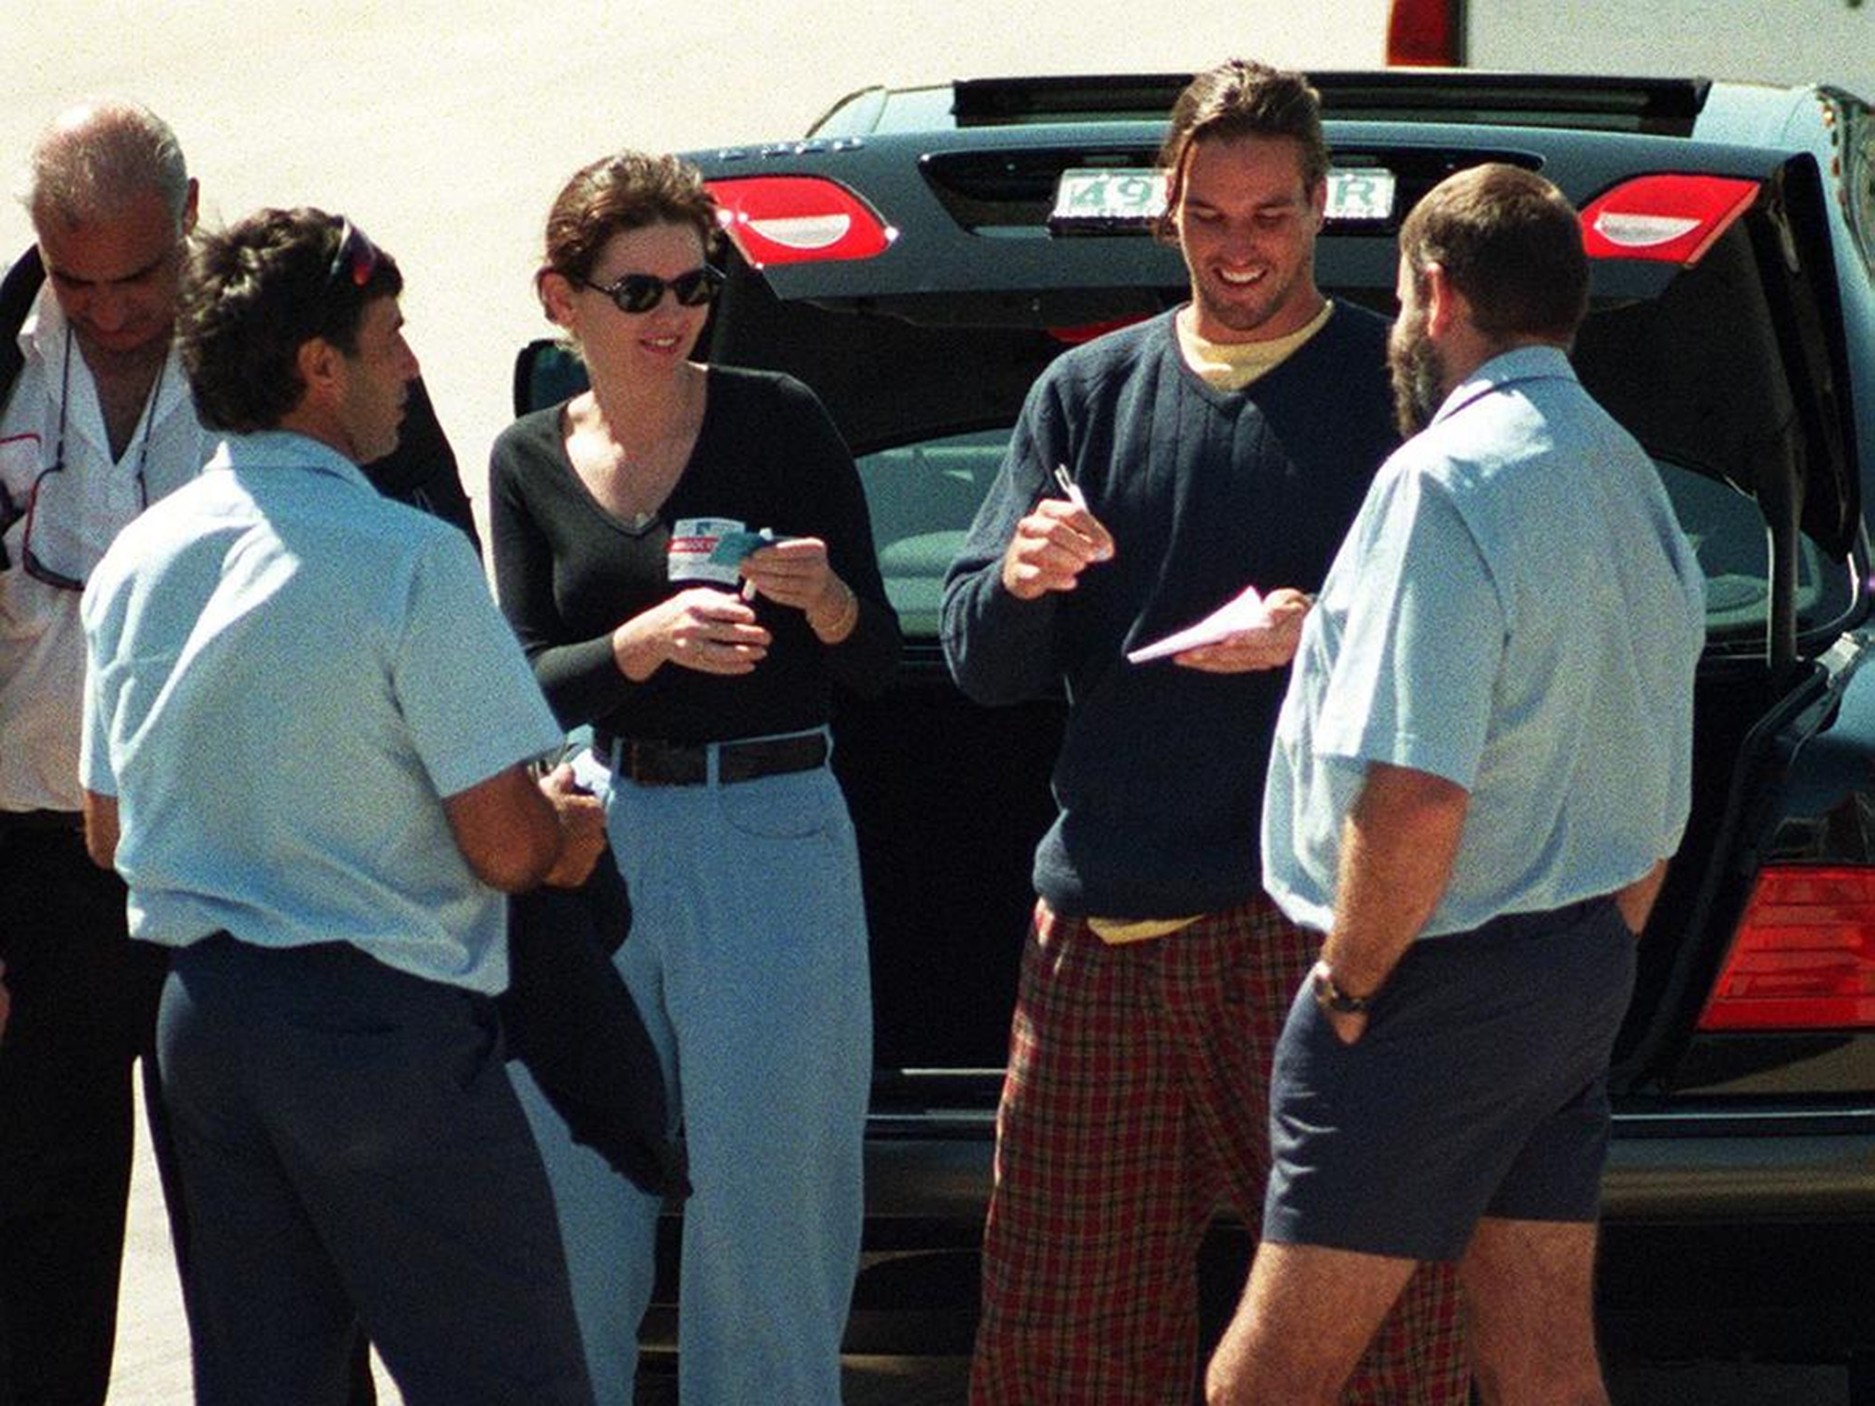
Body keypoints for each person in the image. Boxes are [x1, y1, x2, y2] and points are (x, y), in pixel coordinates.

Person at [940, 58, 1467, 1404]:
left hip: (1309, 931)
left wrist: (1319, 633)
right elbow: (977, 664)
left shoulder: (1394, 388)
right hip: (1096, 941)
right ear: (1163, 206)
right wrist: (1018, 577)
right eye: (1208, 215)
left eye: (1269, 216)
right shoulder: (1086, 394)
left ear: (1319, 207)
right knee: (1056, 1343)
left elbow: (1483, 644)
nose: (1237, 248)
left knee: (1363, 1340)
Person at [78, 205, 606, 1406]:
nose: (411, 363)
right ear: (321, 367)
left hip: (206, 1031)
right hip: (381, 1039)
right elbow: (506, 841)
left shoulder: (139, 558)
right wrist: (566, 834)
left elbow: (108, 833)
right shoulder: (405, 558)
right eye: (391, 334)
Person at [0, 100, 478, 1406]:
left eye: (140, 278)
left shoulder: (296, 344)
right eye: (75, 279)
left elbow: (429, 545)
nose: (108, 312)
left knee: (269, 1250)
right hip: (37, 873)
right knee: (27, 1257)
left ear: (192, 214)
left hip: (252, 875)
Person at [1205, 163, 1705, 1405]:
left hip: (1427, 983)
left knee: (1259, 1388)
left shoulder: (1441, 480)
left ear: (1436, 294)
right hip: (1574, 962)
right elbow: (1654, 755)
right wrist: (1599, 937)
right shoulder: (1628, 471)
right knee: (1541, 1362)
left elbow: (1419, 788)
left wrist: (1350, 983)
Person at [487, 150, 901, 1405]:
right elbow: (514, 685)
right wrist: (641, 642)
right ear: (561, 297)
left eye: (693, 283)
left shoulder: (781, 419)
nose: (672, 314)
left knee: (770, 1222)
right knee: (575, 1203)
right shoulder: (526, 459)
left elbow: (877, 656)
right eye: (638, 290)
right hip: (598, 834)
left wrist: (826, 597)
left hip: (772, 824)